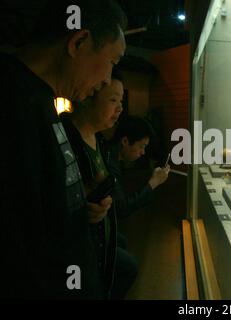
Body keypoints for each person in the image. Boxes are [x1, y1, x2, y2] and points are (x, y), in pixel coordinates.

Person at [0, 0, 127, 299]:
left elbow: (33, 202)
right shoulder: (11, 100)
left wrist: (78, 203)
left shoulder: (41, 99)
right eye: (112, 62)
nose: (108, 79)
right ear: (79, 41)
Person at [61, 71, 169, 299]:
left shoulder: (98, 141)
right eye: (113, 100)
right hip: (79, 255)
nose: (120, 108)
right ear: (89, 92)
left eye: (121, 101)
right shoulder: (64, 139)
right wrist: (153, 183)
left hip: (98, 247)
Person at [109, 115, 170, 218]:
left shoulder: (112, 157)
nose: (143, 152)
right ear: (125, 141)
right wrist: (154, 182)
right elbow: (122, 208)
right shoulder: (109, 163)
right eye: (141, 146)